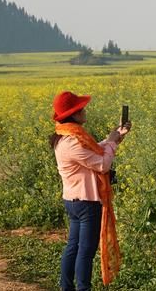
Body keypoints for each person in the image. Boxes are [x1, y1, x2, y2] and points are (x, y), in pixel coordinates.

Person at [50, 91, 131, 291]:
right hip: (86, 203)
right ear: (74, 114)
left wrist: (116, 137)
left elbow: (93, 150)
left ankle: (66, 287)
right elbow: (102, 164)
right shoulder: (72, 142)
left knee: (73, 247)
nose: (85, 111)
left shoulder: (67, 137)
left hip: (73, 201)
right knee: (85, 251)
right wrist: (111, 142)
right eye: (81, 109)